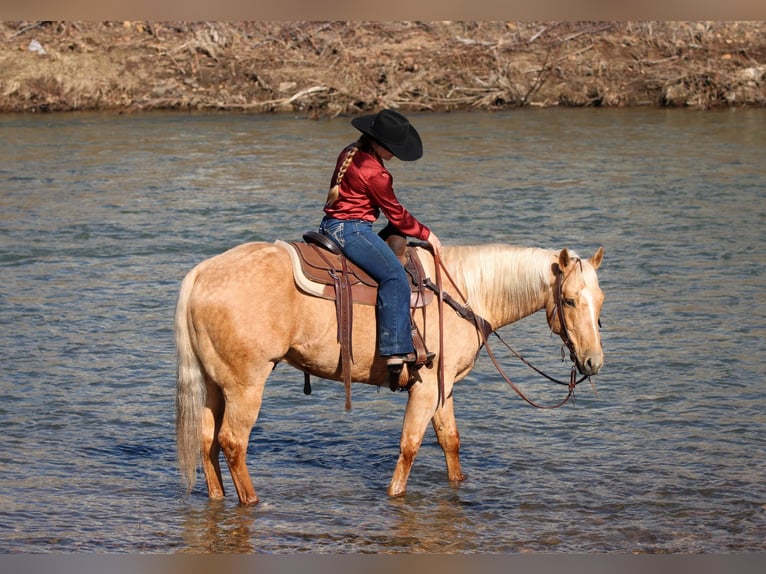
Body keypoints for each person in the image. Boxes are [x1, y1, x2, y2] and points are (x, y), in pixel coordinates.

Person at [318, 109, 442, 378]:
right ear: (378, 142)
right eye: (393, 148)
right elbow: (396, 213)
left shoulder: (351, 151)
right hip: (351, 230)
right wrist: (426, 234)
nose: (396, 153)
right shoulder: (375, 174)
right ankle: (396, 349)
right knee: (395, 277)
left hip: (332, 225)